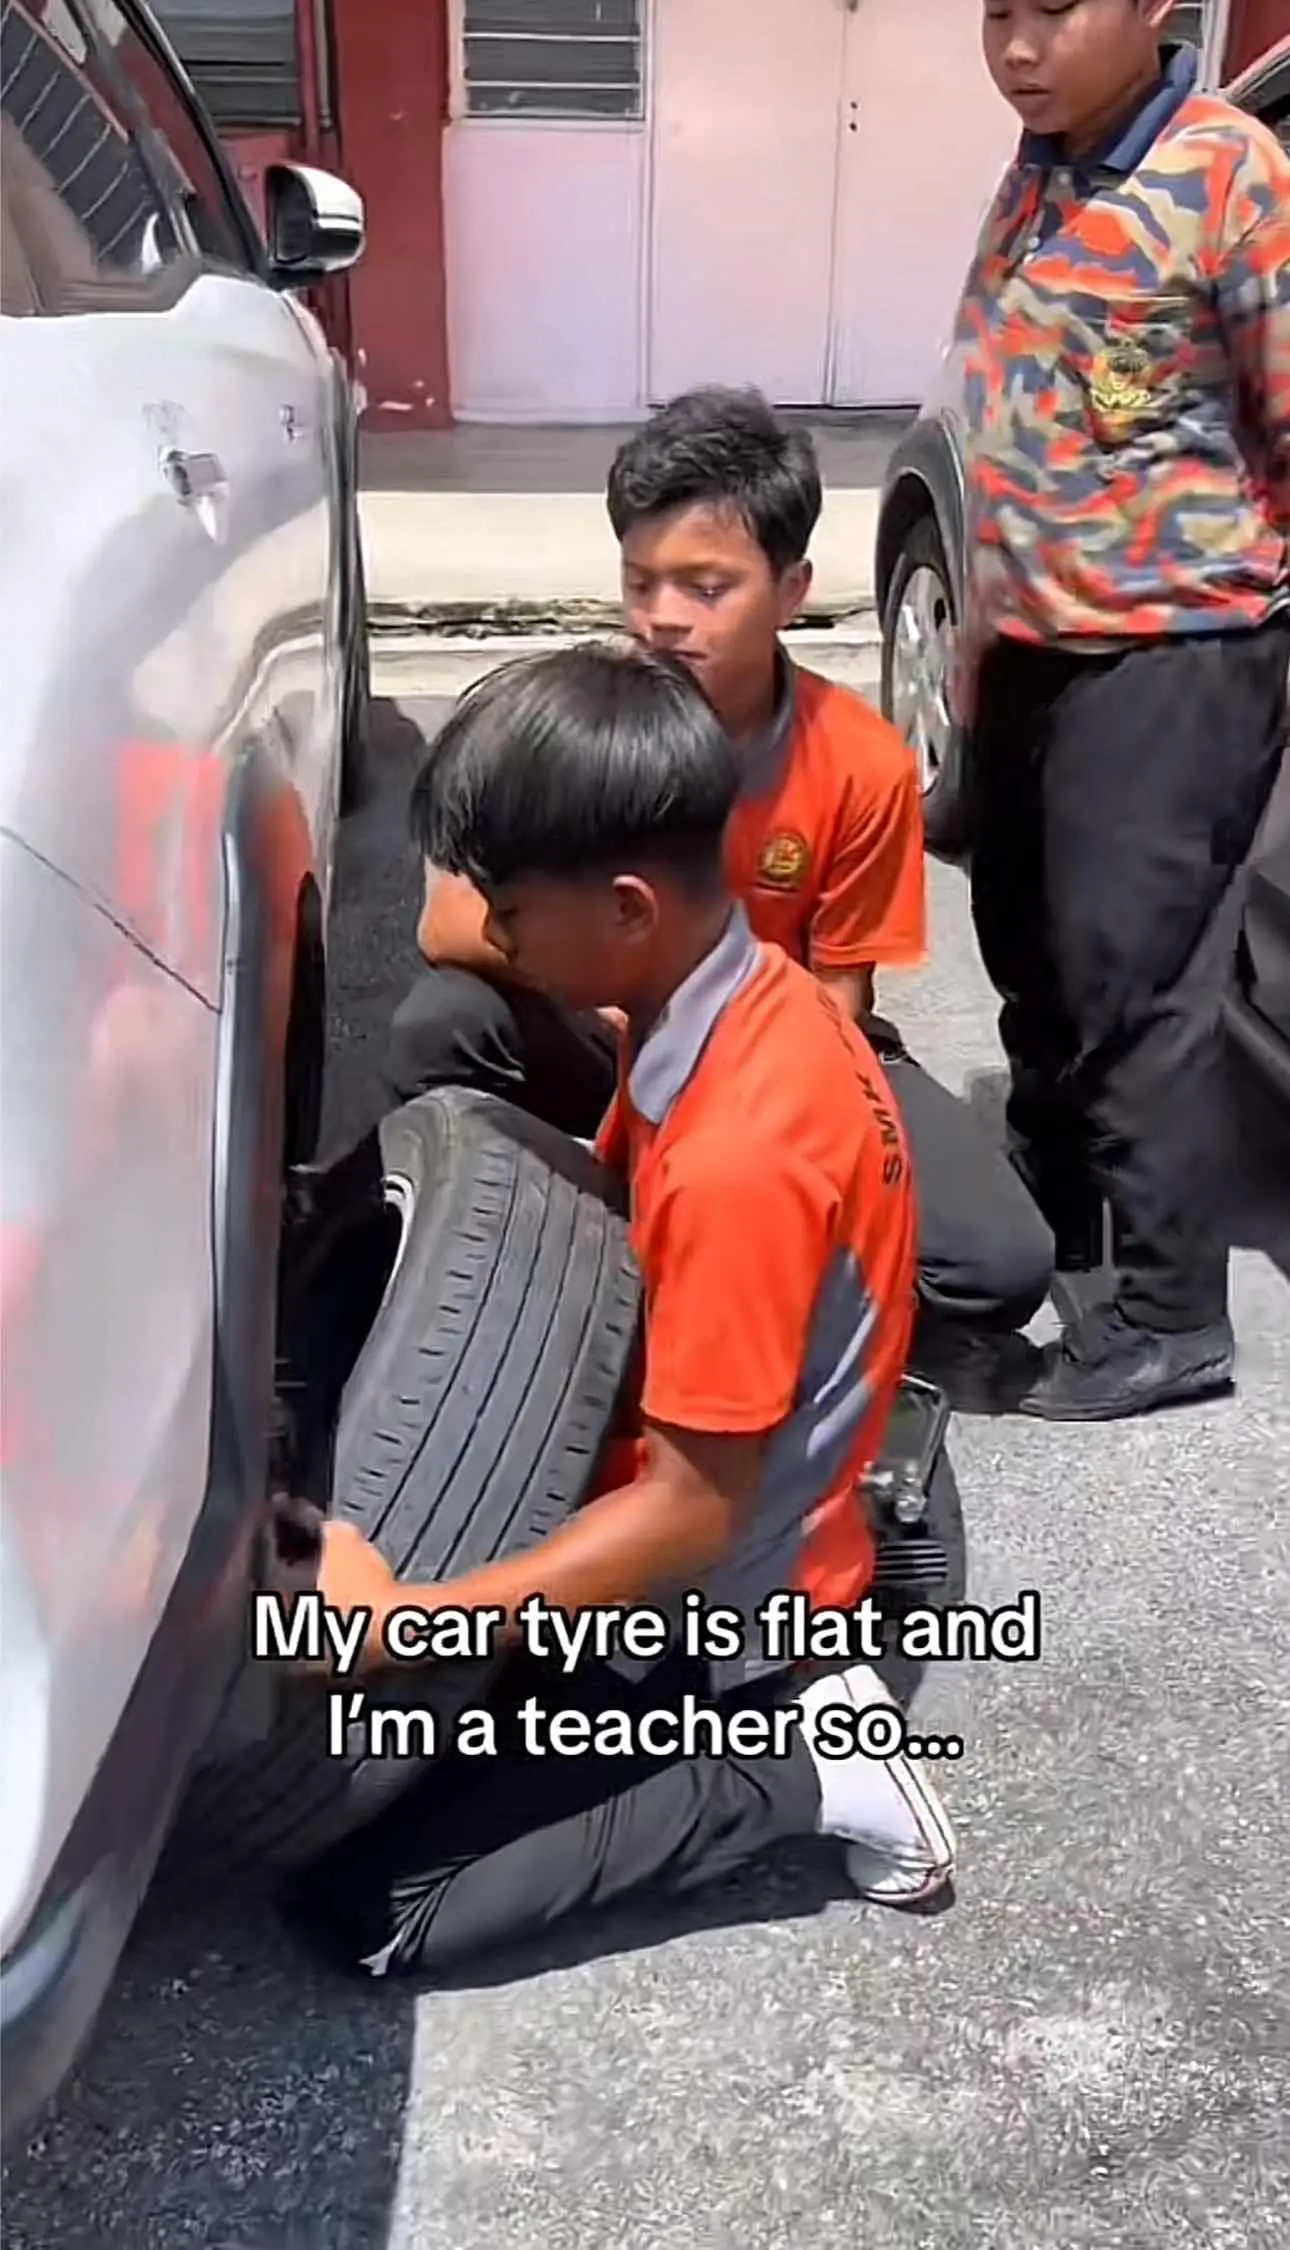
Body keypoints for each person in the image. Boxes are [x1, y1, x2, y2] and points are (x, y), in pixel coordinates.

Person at [275, 641, 956, 1979]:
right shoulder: (719, 983)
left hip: (727, 1595)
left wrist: (403, 1623)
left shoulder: (741, 1154)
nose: (495, 936)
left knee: (376, 1910)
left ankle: (800, 1761)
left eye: (514, 909)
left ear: (631, 905)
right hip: (734, 1449)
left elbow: (690, 1517)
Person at [388, 386, 1055, 1372]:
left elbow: (840, 996)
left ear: (792, 590)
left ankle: (722, 1254)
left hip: (783, 1046)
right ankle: (494, 1256)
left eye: (706, 588)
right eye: (640, 583)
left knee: (997, 1265)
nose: (663, 618)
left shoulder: (861, 762)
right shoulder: (572, 727)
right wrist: (620, 1014)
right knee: (441, 1023)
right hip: (596, 1016)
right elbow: (449, 921)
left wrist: (728, 1098)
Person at [954, 1, 1290, 1419]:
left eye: (1052, 9)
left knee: (1136, 984)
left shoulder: (1228, 172)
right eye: (996, 14)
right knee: (1029, 944)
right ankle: (1064, 1229)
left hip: (1171, 650)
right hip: (1034, 644)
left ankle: (1167, 1316)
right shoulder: (1048, 163)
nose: (1016, 47)